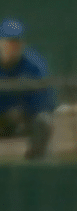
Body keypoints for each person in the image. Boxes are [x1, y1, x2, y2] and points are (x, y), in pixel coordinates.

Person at [0, 18, 55, 159]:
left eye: (17, 42)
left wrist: (23, 111)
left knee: (44, 121)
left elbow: (45, 103)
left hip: (23, 118)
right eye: (9, 42)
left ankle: (35, 163)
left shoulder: (34, 66)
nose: (13, 46)